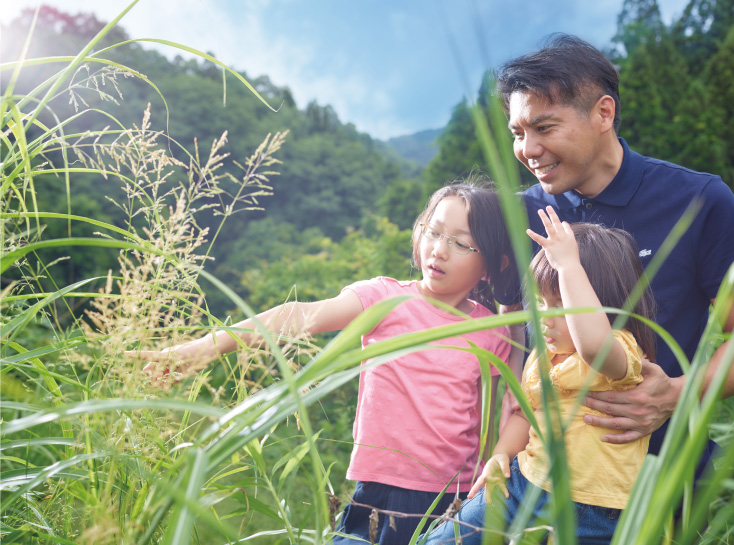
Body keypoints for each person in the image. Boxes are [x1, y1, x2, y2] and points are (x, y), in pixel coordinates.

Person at [127, 181, 518, 544]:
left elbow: (512, 407)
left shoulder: (495, 331)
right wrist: (204, 347)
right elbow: (295, 316)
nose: (439, 249)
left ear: (492, 264)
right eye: (433, 232)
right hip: (376, 490)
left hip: (452, 501)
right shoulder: (384, 298)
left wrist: (499, 459)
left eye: (461, 243)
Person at [496, 34, 734, 479]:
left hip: (658, 480)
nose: (527, 150)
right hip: (537, 484)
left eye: (544, 128)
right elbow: (488, 318)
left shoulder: (698, 201)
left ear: (603, 113)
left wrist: (678, 392)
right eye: (518, 133)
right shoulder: (520, 213)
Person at [424, 208, 657, 545]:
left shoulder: (619, 353)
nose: (544, 318)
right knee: (442, 540)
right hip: (524, 483)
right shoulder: (543, 357)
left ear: (605, 303)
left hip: (592, 510)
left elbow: (594, 345)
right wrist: (501, 453)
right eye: (539, 303)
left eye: (560, 305)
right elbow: (526, 412)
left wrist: (569, 266)